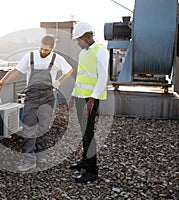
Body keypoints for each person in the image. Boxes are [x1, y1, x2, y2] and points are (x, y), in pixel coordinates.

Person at [0, 34, 73, 171]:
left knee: (44, 127)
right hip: (31, 97)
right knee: (29, 128)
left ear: (52, 49)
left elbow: (69, 70)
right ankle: (29, 159)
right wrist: (3, 81)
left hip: (48, 96)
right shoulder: (29, 56)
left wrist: (58, 82)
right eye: (42, 49)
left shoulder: (57, 59)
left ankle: (40, 153)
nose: (43, 52)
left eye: (47, 50)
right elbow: (16, 71)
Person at [68, 22, 109, 183]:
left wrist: (92, 100)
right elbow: (80, 77)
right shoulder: (83, 53)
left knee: (89, 134)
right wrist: (73, 95)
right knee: (84, 132)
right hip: (80, 97)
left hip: (90, 99)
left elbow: (102, 78)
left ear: (87, 36)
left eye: (79, 39)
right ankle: (85, 160)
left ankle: (92, 171)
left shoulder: (101, 51)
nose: (77, 42)